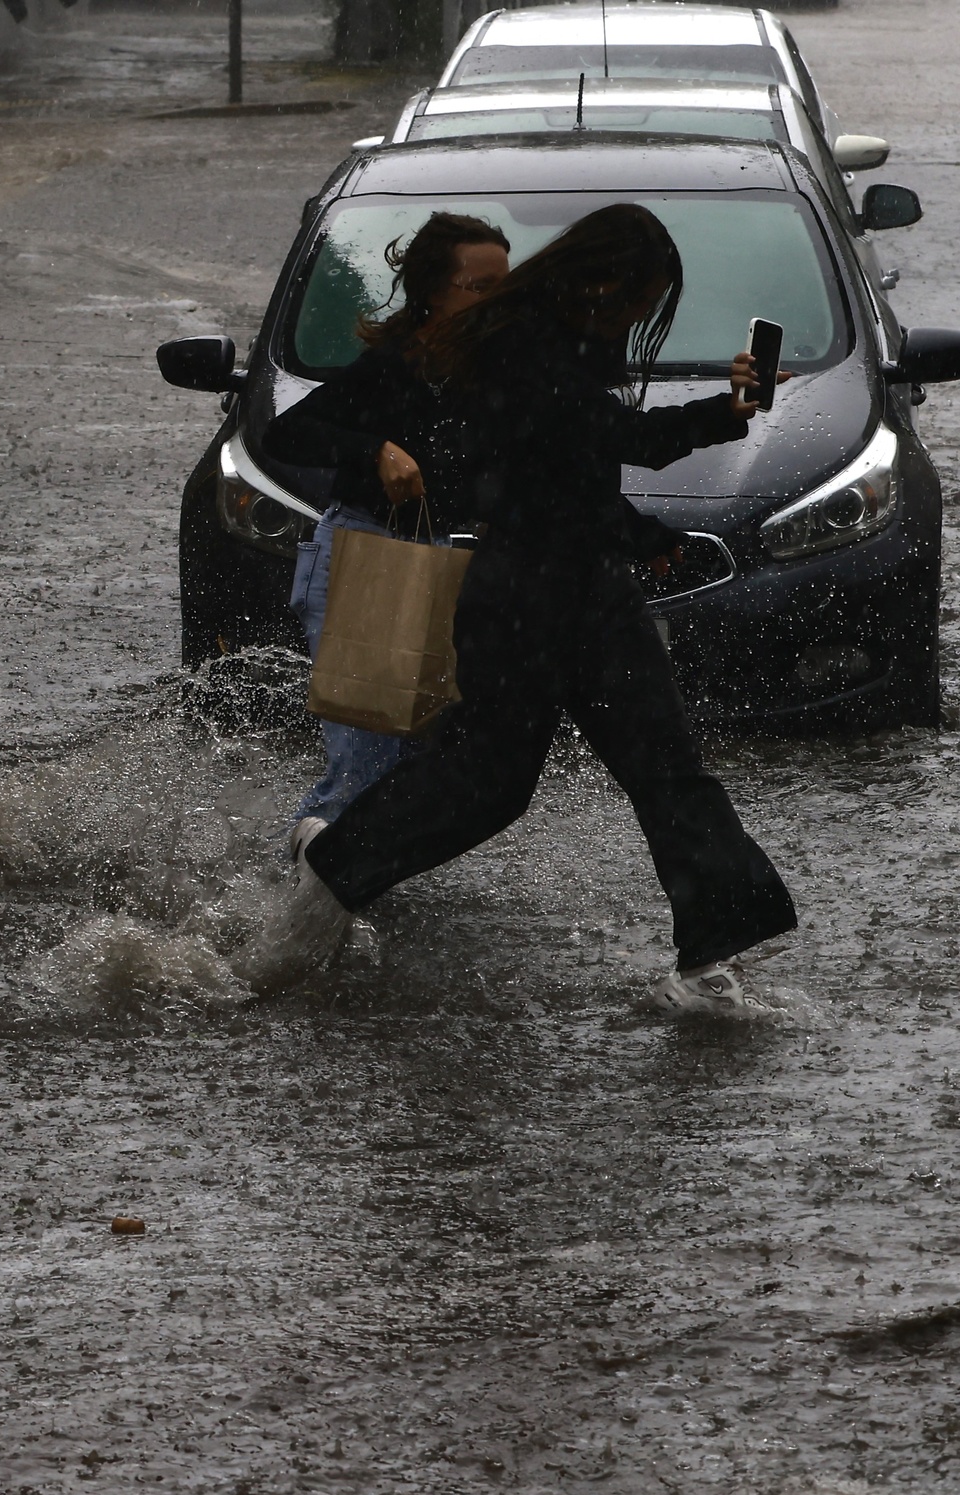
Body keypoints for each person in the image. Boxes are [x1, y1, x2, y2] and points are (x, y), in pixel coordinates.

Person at [244, 203, 797, 1015]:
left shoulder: (554, 341)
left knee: (659, 767)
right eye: (644, 298)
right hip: (526, 597)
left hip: (580, 587)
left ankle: (715, 947)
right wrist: (721, 416)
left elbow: (568, 473)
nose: (644, 316)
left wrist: (644, 527)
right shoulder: (524, 343)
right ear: (606, 281)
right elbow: (615, 441)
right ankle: (337, 866)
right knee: (492, 781)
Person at [263, 212, 512, 828]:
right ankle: (307, 898)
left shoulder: (494, 372)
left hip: (445, 568)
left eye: (506, 287)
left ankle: (362, 894)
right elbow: (287, 433)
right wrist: (377, 449)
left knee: (417, 764)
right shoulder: (395, 365)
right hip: (367, 562)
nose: (497, 303)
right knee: (364, 764)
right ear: (434, 289)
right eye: (480, 288)